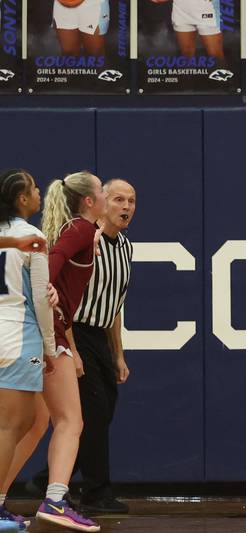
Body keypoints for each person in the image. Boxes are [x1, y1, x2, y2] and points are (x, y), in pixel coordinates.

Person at [2, 172, 106, 532]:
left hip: (48, 334)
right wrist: (50, 297)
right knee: (70, 421)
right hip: (44, 336)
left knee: (36, 425)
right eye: (105, 191)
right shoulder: (77, 229)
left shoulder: (80, 231)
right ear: (90, 200)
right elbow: (54, 265)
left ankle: (0, 503)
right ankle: (56, 500)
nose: (112, 197)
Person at [27, 180, 136, 514]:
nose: (126, 207)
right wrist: (70, 348)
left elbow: (116, 306)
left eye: (132, 201)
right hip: (75, 332)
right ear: (98, 200)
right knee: (88, 414)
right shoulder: (85, 236)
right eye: (117, 199)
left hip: (100, 336)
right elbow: (63, 291)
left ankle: (48, 478)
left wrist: (118, 354)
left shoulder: (126, 247)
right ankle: (94, 492)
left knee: (98, 414)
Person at [0, 169, 56, 533]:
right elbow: (40, 297)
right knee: (10, 426)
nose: (39, 193)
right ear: (22, 199)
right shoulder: (32, 236)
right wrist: (51, 346)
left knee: (37, 420)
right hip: (19, 336)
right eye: (35, 189)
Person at [150, 0, 225, 64]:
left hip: (206, 9)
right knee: (186, 56)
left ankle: (222, 80)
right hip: (181, 11)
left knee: (215, 56)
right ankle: (189, 81)